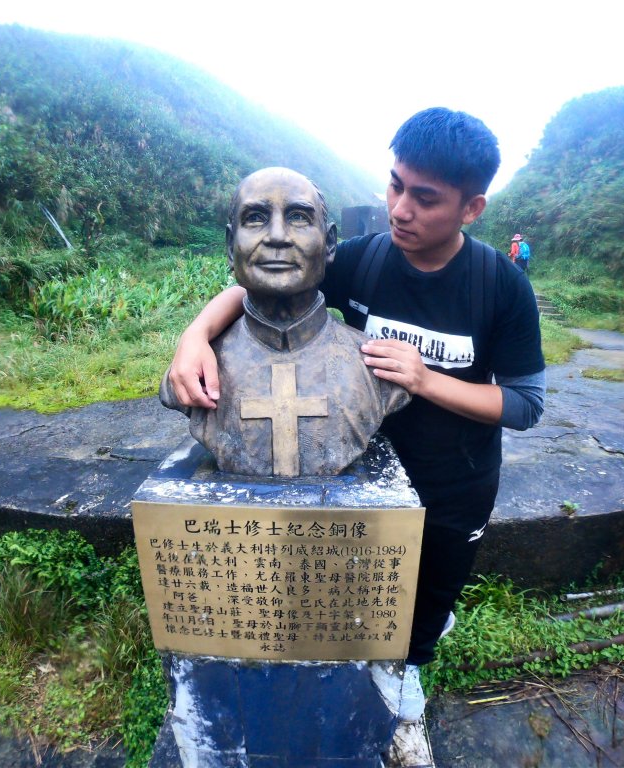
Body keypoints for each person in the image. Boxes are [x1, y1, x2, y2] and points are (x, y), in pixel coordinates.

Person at [166, 108, 546, 721]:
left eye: (425, 199)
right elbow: (267, 276)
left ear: (470, 208)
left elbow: (526, 404)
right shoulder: (363, 260)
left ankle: (409, 673)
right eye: (395, 185)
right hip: (363, 462)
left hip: (456, 478)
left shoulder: (500, 286)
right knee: (354, 591)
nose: (401, 209)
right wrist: (195, 335)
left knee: (431, 594)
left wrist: (425, 380)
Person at [159, 167, 410, 477]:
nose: (277, 236)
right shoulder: (196, 371)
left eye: (299, 217)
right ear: (229, 245)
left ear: (329, 243)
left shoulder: (373, 367)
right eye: (254, 218)